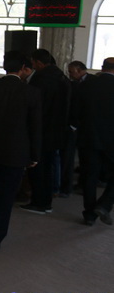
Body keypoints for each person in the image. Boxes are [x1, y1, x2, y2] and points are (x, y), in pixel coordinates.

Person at [0, 51, 42, 252]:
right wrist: (35, 155)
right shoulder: (31, 92)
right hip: (17, 152)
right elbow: (35, 127)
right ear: (22, 69)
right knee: (7, 194)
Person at [21, 48, 70, 214]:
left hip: (41, 130)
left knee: (37, 168)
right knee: (49, 168)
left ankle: (38, 202)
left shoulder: (41, 79)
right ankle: (46, 201)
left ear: (39, 63)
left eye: (33, 63)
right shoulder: (62, 77)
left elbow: (35, 107)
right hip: (57, 130)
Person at [77, 57, 114, 226]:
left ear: (102, 67)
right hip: (111, 140)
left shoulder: (87, 85)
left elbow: (76, 109)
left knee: (89, 176)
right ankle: (104, 204)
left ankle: (89, 214)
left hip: (88, 137)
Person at [62, 60, 95, 196]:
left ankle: (82, 184)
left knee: (85, 158)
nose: (70, 75)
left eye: (71, 72)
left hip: (84, 126)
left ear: (80, 70)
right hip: (76, 125)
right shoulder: (74, 83)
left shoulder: (92, 83)